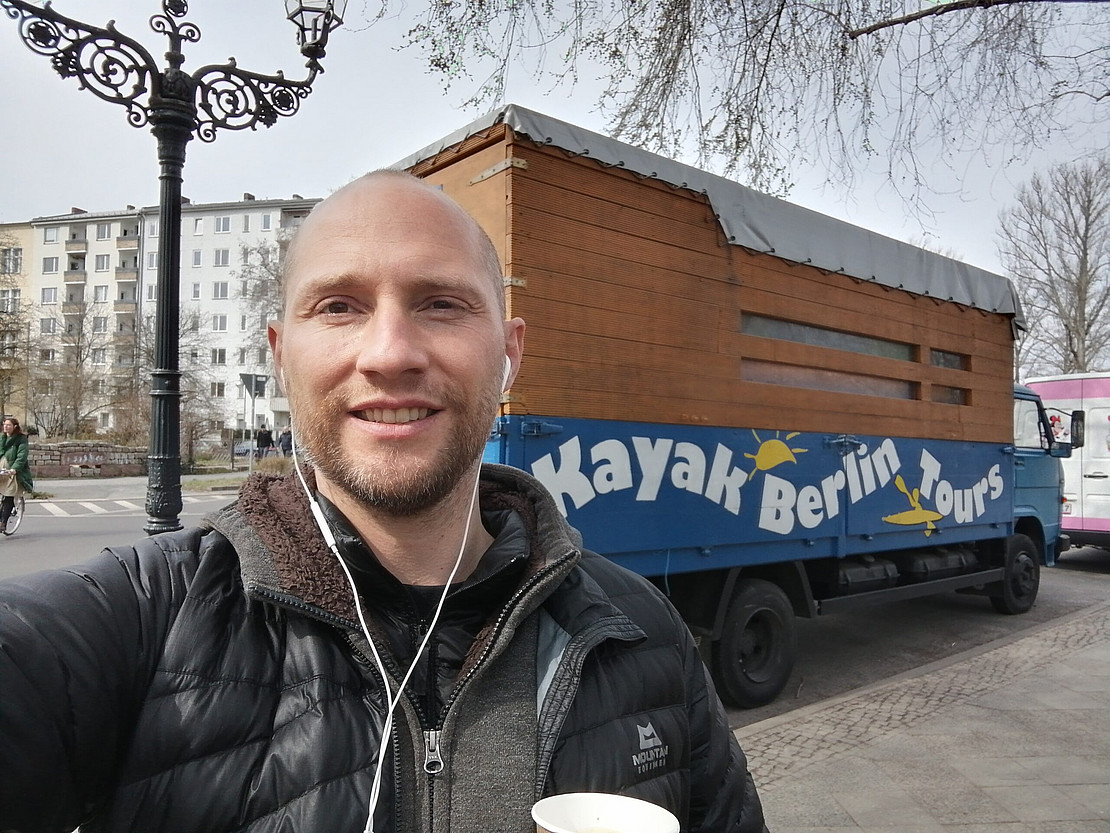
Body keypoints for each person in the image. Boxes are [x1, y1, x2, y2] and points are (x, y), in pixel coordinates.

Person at [0, 172, 768, 833]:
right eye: (339, 306)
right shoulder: (146, 620)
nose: (391, 351)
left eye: (440, 303)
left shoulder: (646, 636)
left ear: (510, 352)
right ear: (280, 354)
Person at [0, 416, 32, 532]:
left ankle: (3, 523)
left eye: (8, 425)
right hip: (1, 470)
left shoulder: (21, 439)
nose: (6, 427)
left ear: (15, 427)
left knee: (9, 496)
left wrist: (15, 469)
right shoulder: (1, 438)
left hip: (12, 472)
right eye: (4, 424)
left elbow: (21, 456)